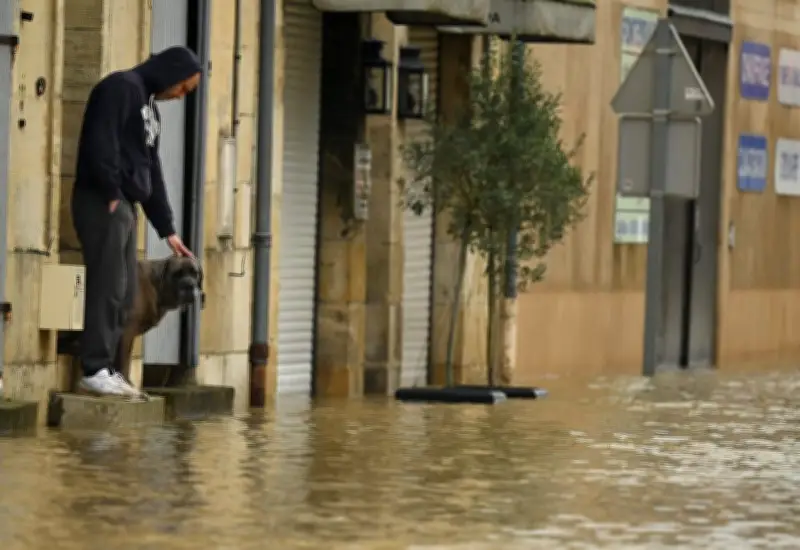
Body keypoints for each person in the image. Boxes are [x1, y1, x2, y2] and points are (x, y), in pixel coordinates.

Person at [71, 46, 201, 397]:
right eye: (184, 88)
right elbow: (100, 139)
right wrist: (112, 190)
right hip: (103, 201)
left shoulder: (150, 108)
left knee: (125, 292)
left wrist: (168, 229)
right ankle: (94, 368)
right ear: (171, 72)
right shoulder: (121, 87)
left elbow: (151, 170)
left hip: (125, 205)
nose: (180, 96)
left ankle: (108, 370)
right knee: (108, 285)